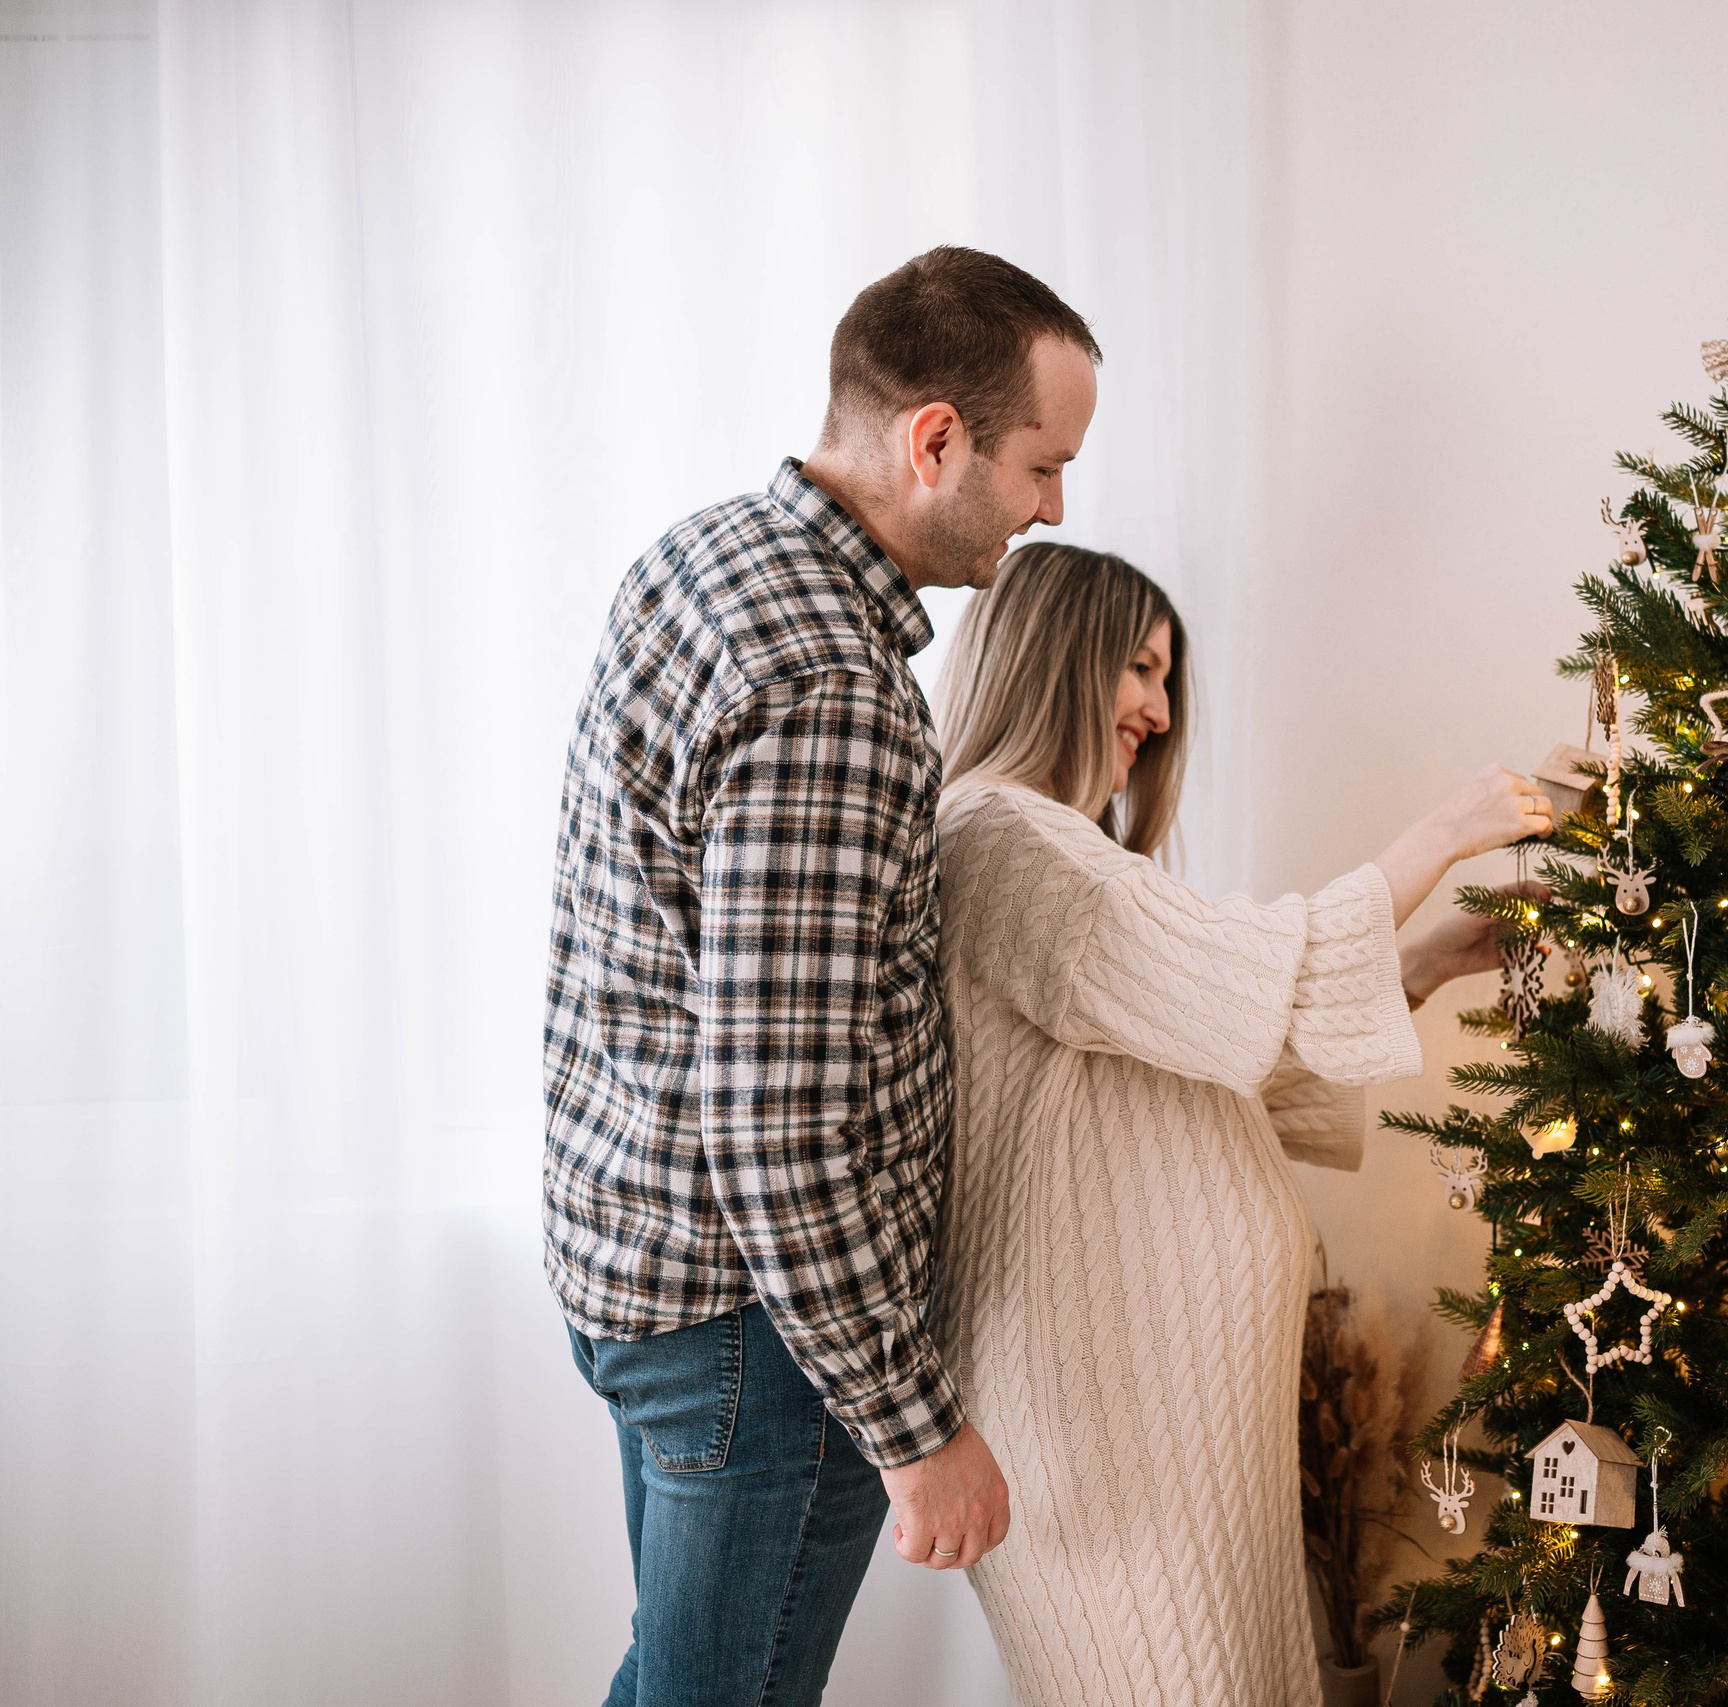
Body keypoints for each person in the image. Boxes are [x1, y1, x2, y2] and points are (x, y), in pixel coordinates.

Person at [542, 246, 1096, 1707]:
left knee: (679, 1678)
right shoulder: (829, 685)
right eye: (1044, 463)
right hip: (756, 1335)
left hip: (644, 1270)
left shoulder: (704, 552)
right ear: (934, 439)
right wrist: (916, 1427)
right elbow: (781, 1126)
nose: (1053, 508)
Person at [930, 543, 1550, 1707]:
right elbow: (1236, 976)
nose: (1158, 714)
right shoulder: (1006, 841)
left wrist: (1418, 965)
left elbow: (1214, 1049)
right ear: (1051, 657)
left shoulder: (1049, 851)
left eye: (1168, 683)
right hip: (1108, 1417)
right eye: (1138, 669)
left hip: (1170, 1418)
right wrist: (1443, 833)